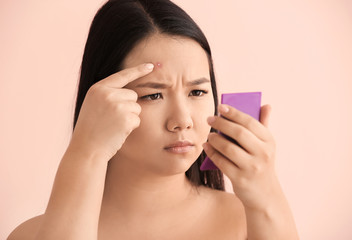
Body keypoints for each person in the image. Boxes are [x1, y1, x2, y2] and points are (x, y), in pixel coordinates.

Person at [8, 0, 299, 239]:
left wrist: (267, 195)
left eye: (197, 91)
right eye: (153, 95)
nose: (182, 121)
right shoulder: (31, 235)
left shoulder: (248, 223)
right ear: (101, 102)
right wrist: (86, 153)